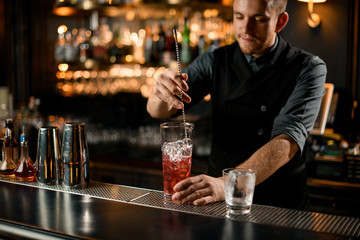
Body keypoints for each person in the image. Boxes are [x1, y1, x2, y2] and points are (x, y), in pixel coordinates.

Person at [146, 0, 327, 209]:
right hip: (219, 201)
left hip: (278, 202)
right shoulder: (215, 60)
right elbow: (157, 111)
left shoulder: (308, 68)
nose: (245, 28)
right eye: (239, 17)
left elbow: (287, 142)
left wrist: (227, 184)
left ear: (280, 22)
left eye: (258, 19)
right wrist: (161, 91)